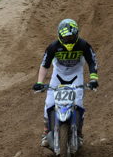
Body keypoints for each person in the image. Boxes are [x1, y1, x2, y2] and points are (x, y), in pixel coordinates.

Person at [32, 18, 99, 147]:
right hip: (58, 75)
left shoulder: (83, 45)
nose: (68, 40)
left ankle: (79, 133)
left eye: (71, 37)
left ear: (76, 35)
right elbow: (44, 65)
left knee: (78, 104)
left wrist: (93, 79)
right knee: (49, 103)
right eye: (66, 38)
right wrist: (39, 82)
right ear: (60, 36)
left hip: (76, 75)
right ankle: (46, 132)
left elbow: (92, 61)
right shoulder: (53, 47)